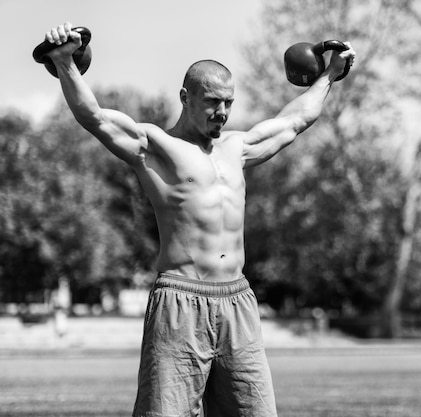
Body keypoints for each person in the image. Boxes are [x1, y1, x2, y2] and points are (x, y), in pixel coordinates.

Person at [42, 22, 356, 417]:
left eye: (228, 102)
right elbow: (96, 118)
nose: (222, 112)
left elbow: (295, 121)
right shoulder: (155, 147)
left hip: (238, 303)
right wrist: (64, 62)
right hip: (180, 302)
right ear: (185, 97)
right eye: (211, 102)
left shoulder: (237, 147)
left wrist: (329, 75)